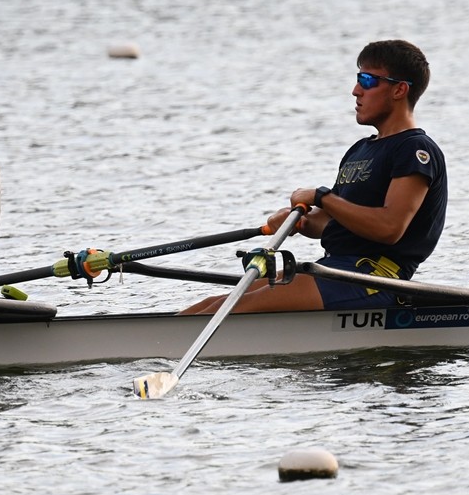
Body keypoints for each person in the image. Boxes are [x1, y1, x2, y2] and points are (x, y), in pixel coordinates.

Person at [182, 39, 445, 315]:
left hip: (375, 279)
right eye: (358, 79)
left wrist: (322, 196)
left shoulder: (415, 149)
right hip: (337, 270)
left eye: (367, 80)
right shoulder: (360, 150)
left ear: (399, 89)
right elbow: (333, 220)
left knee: (228, 311)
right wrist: (300, 222)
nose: (356, 90)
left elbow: (389, 228)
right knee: (209, 306)